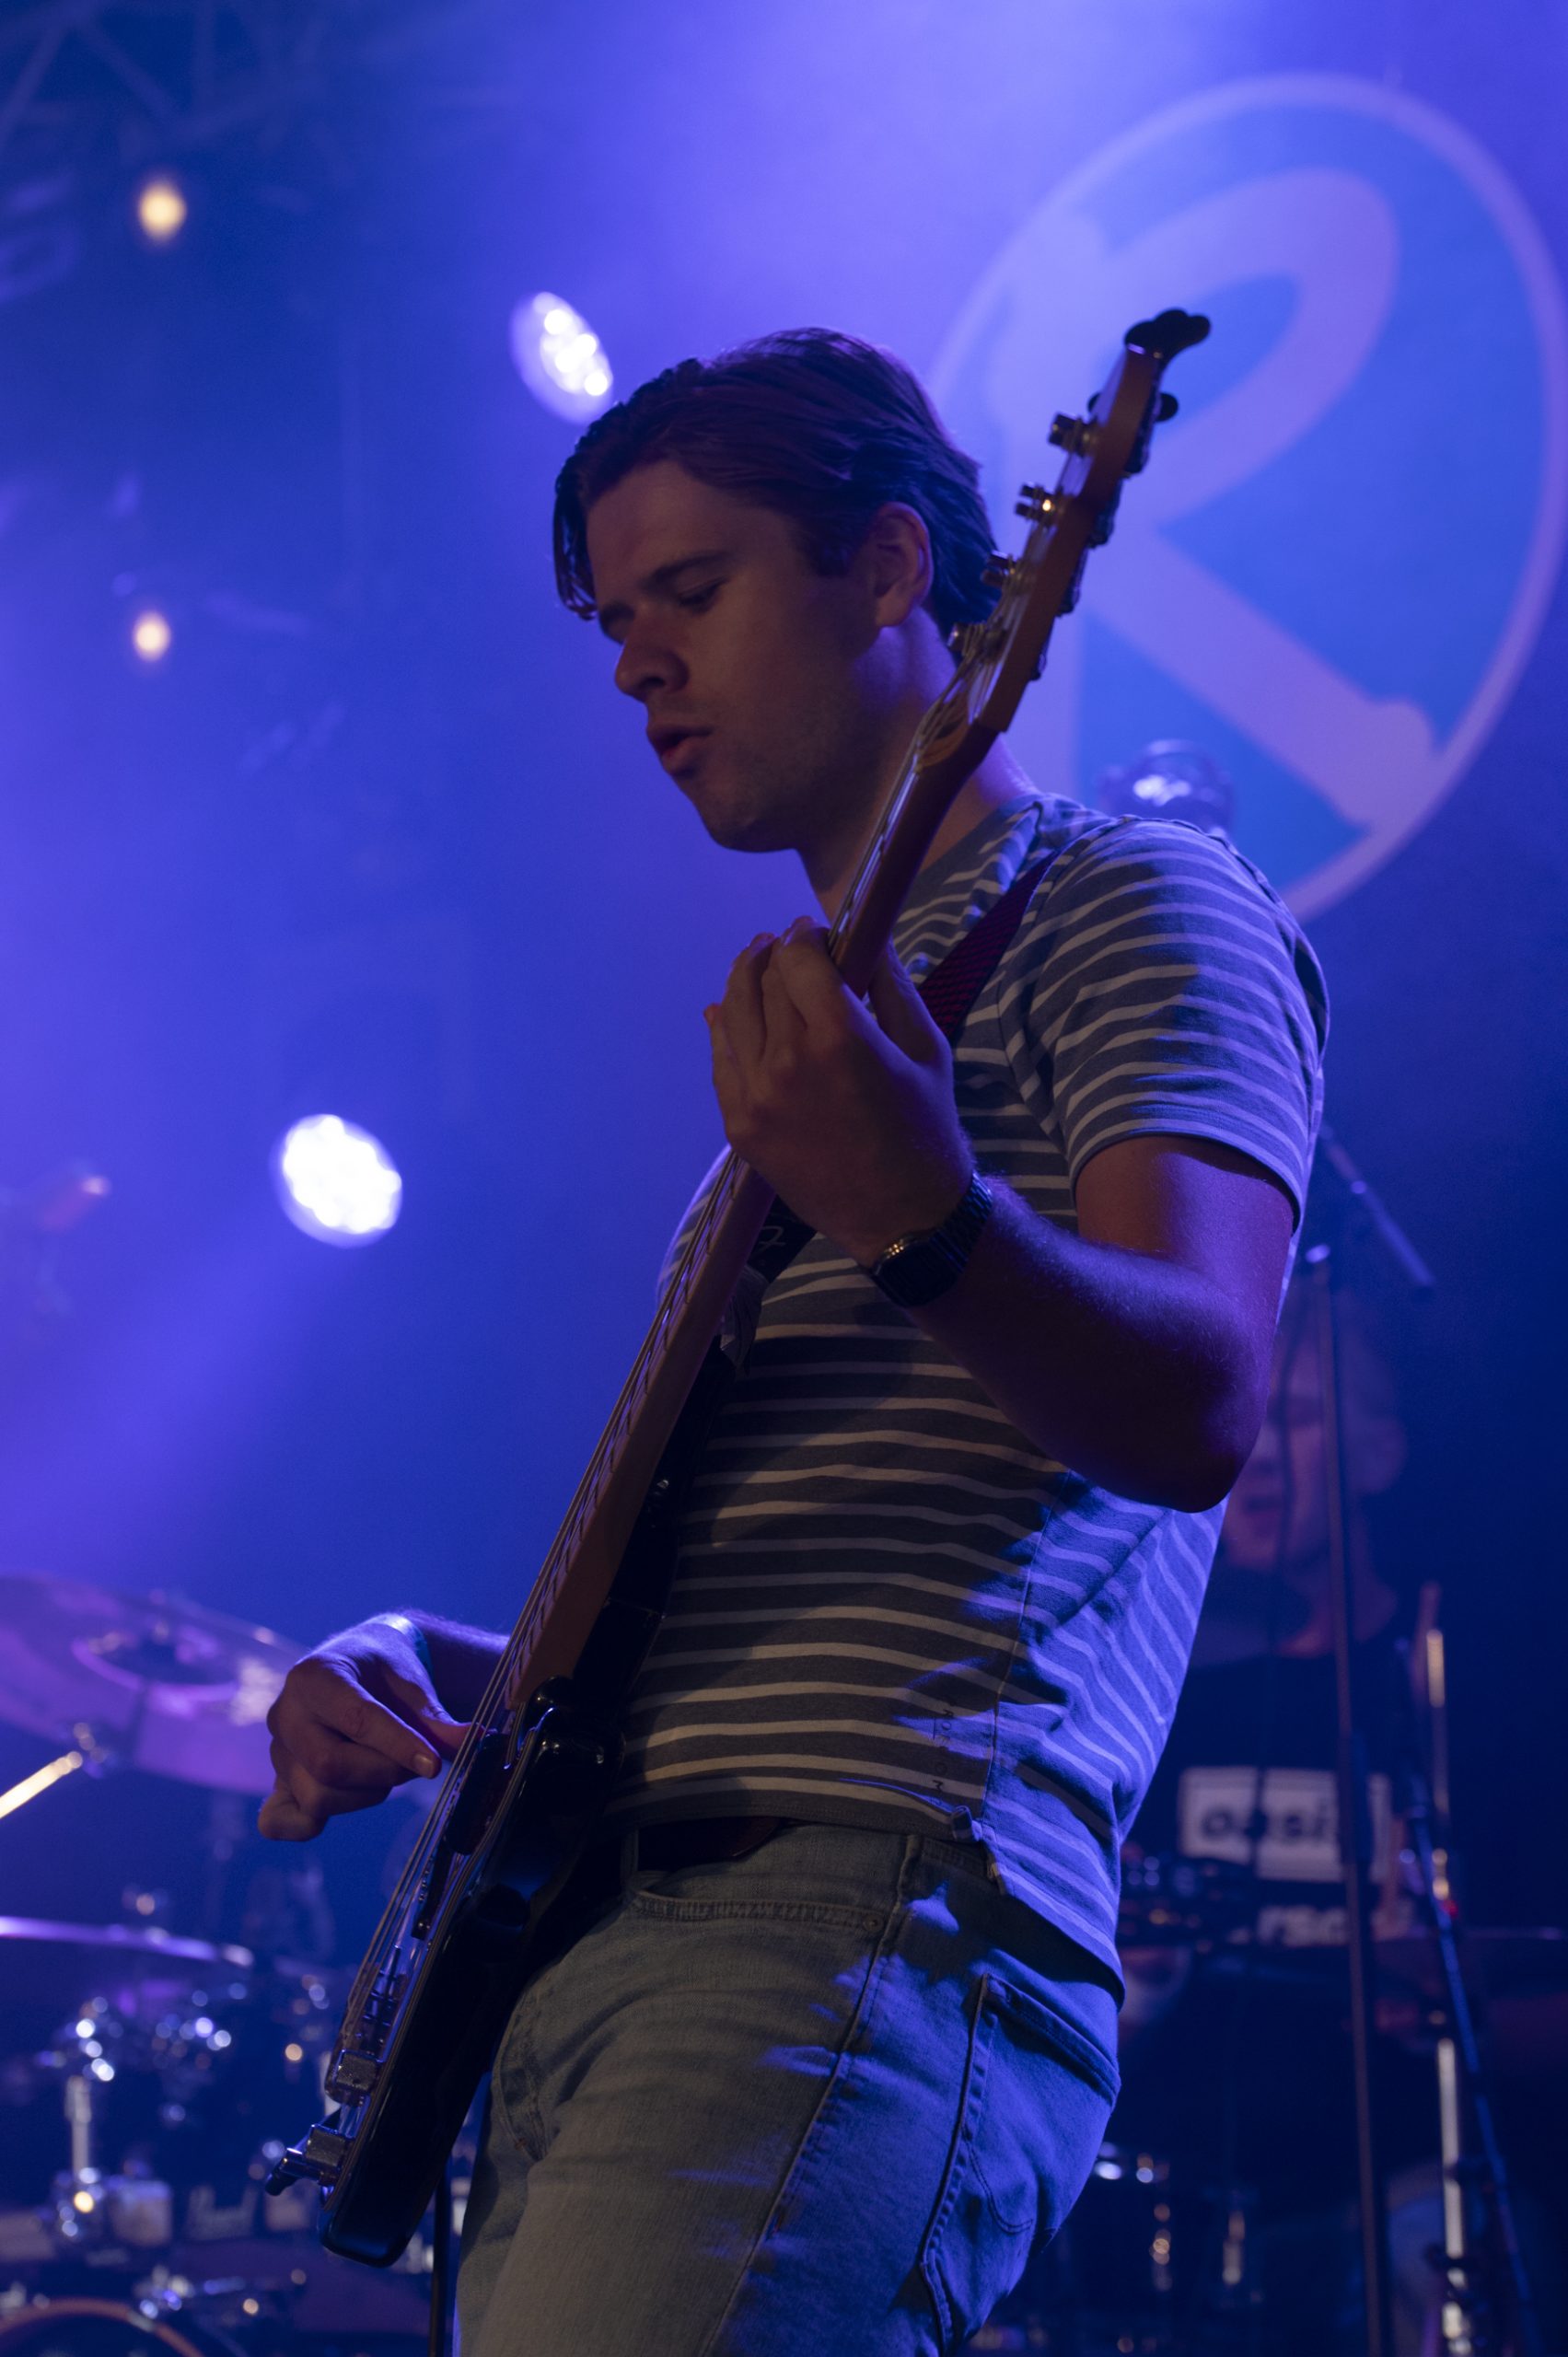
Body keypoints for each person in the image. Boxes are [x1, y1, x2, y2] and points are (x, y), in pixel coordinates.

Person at [260, 330, 1327, 2357]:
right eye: (613, 622)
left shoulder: (1129, 901)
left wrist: (920, 1211)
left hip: (845, 1924)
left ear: (893, 567)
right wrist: (438, 1666)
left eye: (691, 589)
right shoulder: (828, 1033)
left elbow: (1200, 1395)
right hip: (601, 1947)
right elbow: (748, 1605)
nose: (635, 667)